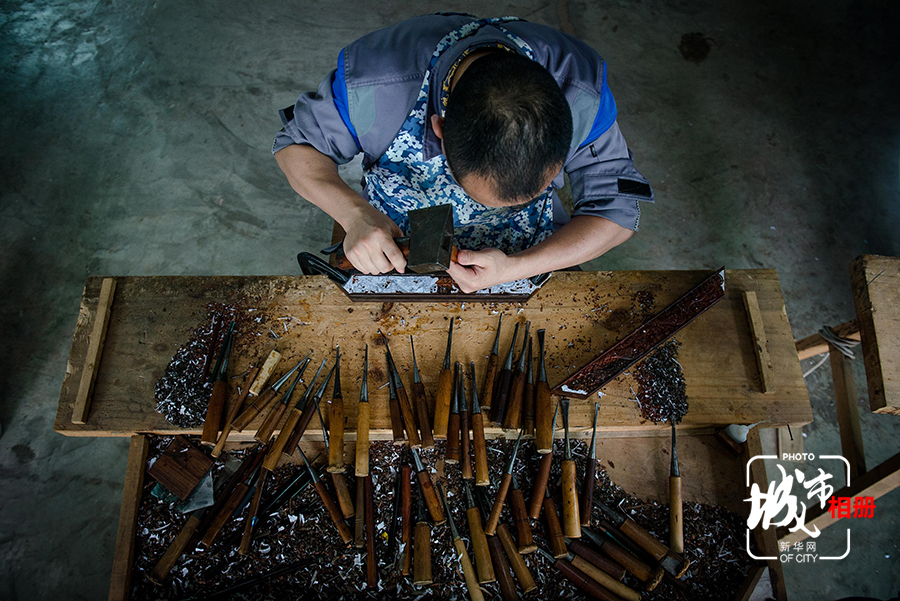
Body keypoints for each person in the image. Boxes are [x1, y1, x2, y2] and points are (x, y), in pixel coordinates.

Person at [274, 13, 653, 292]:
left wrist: (516, 267)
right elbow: (296, 147)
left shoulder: (582, 90)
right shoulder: (374, 79)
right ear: (439, 129)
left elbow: (615, 211)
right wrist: (355, 216)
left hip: (525, 254)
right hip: (390, 245)